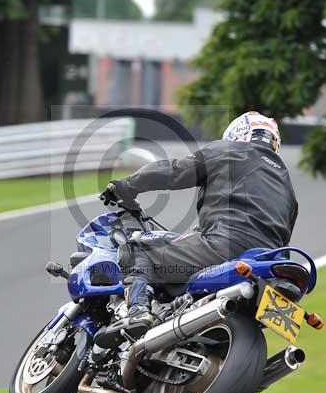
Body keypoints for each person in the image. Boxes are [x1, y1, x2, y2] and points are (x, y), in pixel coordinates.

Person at [94, 111, 299, 348]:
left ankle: (137, 312)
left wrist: (127, 186)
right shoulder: (288, 188)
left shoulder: (229, 150)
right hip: (265, 265)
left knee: (137, 250)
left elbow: (175, 171)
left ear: (238, 133)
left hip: (224, 246)